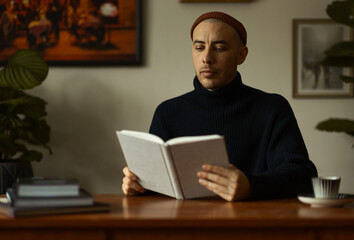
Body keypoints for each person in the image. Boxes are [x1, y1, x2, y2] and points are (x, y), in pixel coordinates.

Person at [122, 11, 317, 201]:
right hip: (184, 229)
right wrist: (139, 185)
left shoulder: (272, 108)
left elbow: (304, 176)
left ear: (241, 55)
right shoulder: (167, 112)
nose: (207, 58)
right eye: (199, 47)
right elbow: (159, 189)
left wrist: (251, 186)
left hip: (253, 228)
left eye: (220, 48)